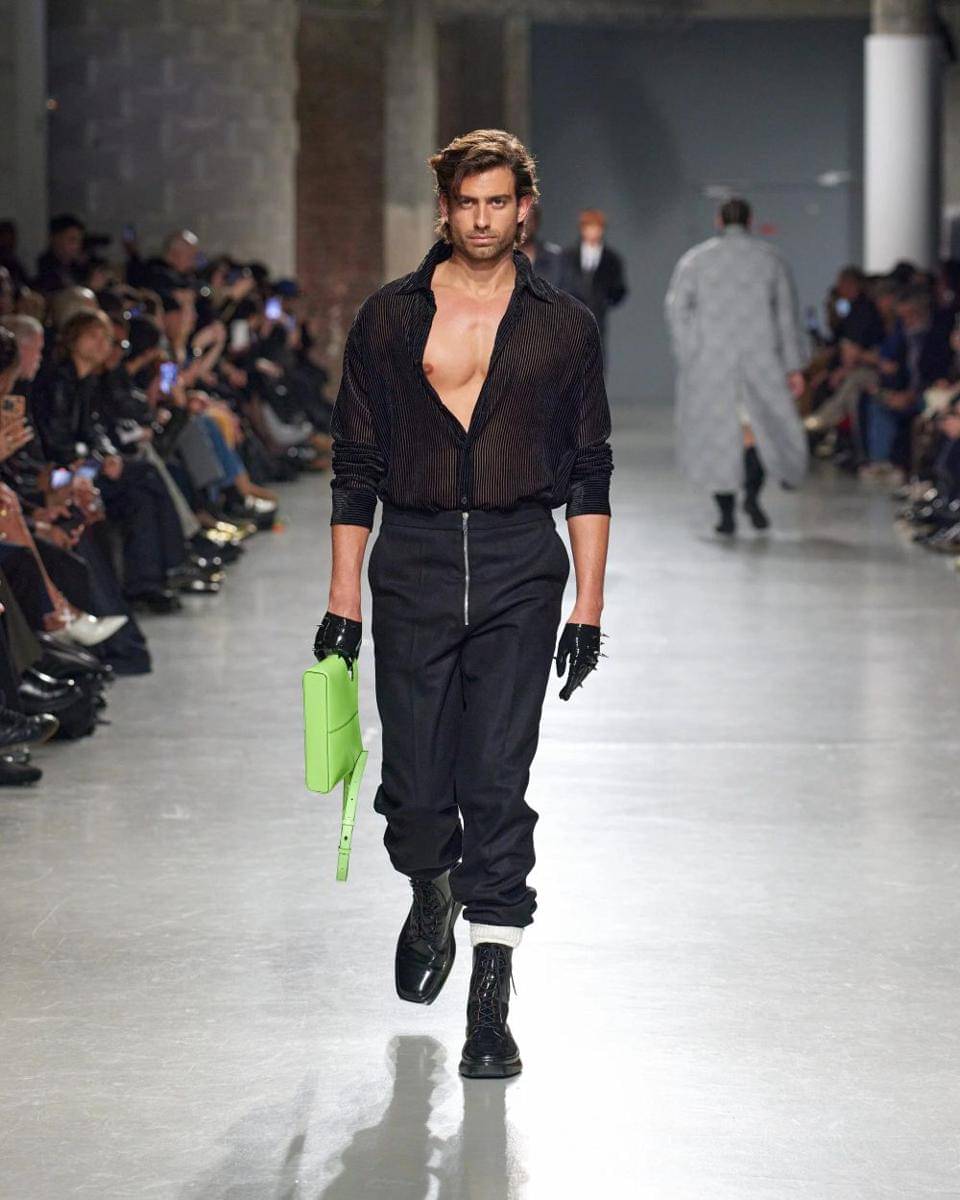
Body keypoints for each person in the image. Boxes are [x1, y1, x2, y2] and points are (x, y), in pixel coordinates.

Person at [315, 128, 613, 1080]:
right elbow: (355, 462)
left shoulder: (564, 326)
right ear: (445, 209)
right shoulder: (390, 319)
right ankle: (429, 888)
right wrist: (343, 599)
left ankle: (491, 996)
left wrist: (589, 607)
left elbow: (590, 469)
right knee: (413, 790)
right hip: (415, 558)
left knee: (495, 778)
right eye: (467, 203)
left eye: (499, 202)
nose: (483, 220)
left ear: (524, 208)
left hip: (523, 560)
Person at [665, 196, 808, 535]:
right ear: (750, 220)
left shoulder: (696, 260)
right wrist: (793, 366)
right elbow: (786, 317)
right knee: (756, 432)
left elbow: (677, 309)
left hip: (711, 364)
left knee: (719, 436)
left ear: (719, 220)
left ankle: (725, 512)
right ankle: (752, 498)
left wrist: (691, 353)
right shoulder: (770, 260)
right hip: (761, 360)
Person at [560, 208, 627, 348]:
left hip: (598, 317)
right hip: (570, 317)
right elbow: (560, 282)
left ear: (602, 230)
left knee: (595, 352)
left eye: (596, 227)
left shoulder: (611, 259)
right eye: (589, 227)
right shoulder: (567, 256)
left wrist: (603, 300)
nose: (593, 232)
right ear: (582, 229)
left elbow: (618, 289)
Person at [34, 214, 88, 295]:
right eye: (72, 240)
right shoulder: (46, 268)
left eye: (79, 241)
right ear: (55, 238)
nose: (77, 246)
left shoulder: (77, 268)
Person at [520, 204, 563, 288]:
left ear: (536, 223)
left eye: (528, 221)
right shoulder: (501, 258)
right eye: (519, 221)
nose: (523, 226)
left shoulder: (555, 257)